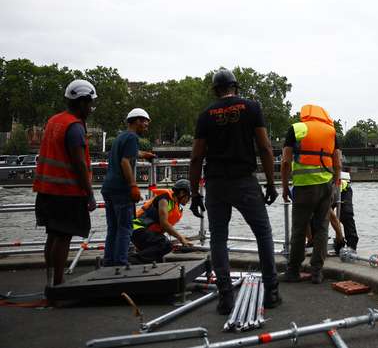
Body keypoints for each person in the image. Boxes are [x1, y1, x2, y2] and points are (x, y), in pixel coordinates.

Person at [189, 68, 281, 314]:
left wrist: (194, 192)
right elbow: (264, 147)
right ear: (235, 87)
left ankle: (225, 297)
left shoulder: (205, 115)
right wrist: (272, 183)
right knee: (263, 233)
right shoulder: (251, 108)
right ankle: (271, 292)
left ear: (215, 90)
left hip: (216, 184)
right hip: (244, 181)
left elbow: (197, 156)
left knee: (218, 238)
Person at [33, 79, 98, 294]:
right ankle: (59, 285)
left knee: (52, 236)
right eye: (90, 104)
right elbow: (79, 163)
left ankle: (51, 281)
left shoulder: (54, 121)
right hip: (65, 192)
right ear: (81, 103)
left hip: (46, 190)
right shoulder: (74, 127)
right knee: (63, 237)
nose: (91, 108)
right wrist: (89, 193)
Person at [281, 104, 341, 284]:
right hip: (325, 187)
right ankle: (317, 272)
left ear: (305, 114)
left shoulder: (296, 129)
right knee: (322, 228)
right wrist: (335, 185)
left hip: (303, 187)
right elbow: (337, 162)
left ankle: (293, 271)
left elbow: (285, 161)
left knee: (299, 229)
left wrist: (284, 188)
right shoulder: (331, 131)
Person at [101, 108, 156, 267]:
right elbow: (125, 161)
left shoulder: (121, 137)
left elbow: (128, 153)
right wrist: (133, 186)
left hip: (108, 188)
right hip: (121, 189)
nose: (147, 125)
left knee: (113, 228)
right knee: (125, 228)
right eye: (145, 122)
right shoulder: (133, 137)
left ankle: (109, 262)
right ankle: (120, 263)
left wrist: (144, 154)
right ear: (138, 120)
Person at [130, 179, 193, 263]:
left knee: (163, 248)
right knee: (164, 244)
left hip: (147, 231)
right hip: (137, 228)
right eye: (188, 196)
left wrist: (182, 238)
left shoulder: (175, 204)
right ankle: (132, 259)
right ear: (181, 193)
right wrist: (180, 238)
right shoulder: (164, 199)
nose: (189, 199)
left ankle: (145, 261)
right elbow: (164, 223)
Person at [337, 171, 359, 252]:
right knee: (319, 217)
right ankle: (315, 242)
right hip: (326, 186)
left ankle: (351, 245)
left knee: (346, 215)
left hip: (343, 187)